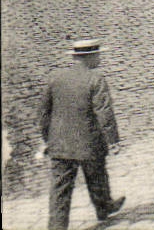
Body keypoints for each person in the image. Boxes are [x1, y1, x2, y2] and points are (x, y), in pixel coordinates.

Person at [38, 39, 124, 230]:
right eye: (99, 55)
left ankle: (57, 226)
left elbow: (44, 112)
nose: (100, 59)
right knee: (97, 176)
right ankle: (104, 208)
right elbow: (104, 113)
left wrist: (46, 139)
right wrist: (113, 141)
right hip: (90, 143)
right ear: (91, 57)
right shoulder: (96, 79)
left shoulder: (55, 77)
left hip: (59, 144)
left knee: (60, 189)